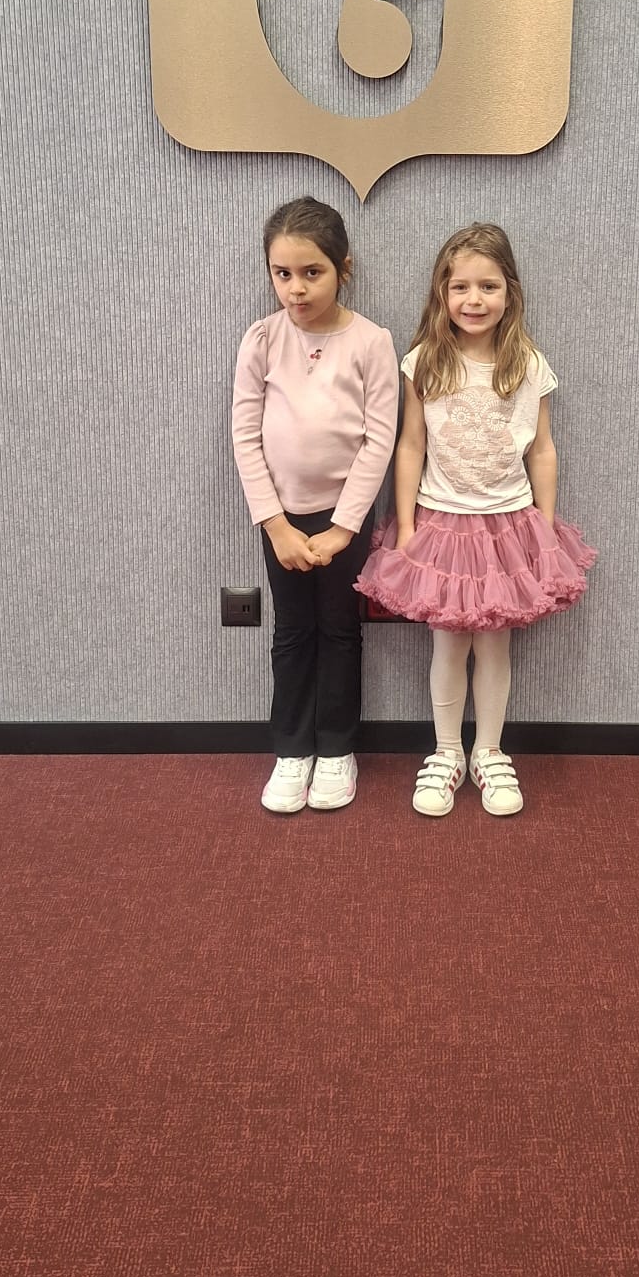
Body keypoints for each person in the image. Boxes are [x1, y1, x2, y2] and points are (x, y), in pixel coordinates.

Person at [355, 223, 595, 818]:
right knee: (447, 643)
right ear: (442, 292)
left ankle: (489, 751)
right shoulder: (423, 362)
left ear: (510, 291)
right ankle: (446, 752)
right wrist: (405, 524)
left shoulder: (528, 364)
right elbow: (410, 445)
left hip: (508, 523)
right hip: (442, 522)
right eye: (460, 286)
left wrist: (545, 526)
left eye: (488, 286)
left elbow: (542, 449)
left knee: (493, 645)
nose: (474, 299)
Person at [232, 197, 398, 814]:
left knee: (340, 629)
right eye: (282, 274)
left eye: (312, 272)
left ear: (343, 268)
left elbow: (379, 438)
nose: (296, 289)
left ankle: (336, 749)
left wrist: (343, 528)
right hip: (281, 519)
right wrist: (275, 525)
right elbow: (245, 436)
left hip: (343, 518)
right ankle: (292, 749)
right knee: (292, 631)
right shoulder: (262, 339)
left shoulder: (371, 341)